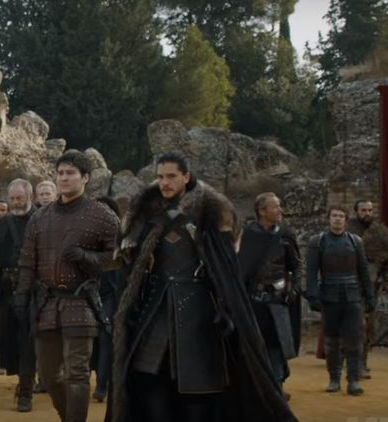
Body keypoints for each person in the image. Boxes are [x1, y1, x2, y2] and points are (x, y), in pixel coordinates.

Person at [108, 152, 296, 422]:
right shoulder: (146, 213)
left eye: (171, 176)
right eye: (160, 177)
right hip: (155, 309)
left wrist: (225, 307)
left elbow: (225, 268)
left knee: (199, 391)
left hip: (199, 312)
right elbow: (130, 265)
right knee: (147, 379)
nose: (165, 182)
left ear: (186, 177)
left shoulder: (210, 213)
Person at [15, 151, 119, 422]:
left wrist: (87, 257)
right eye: (60, 173)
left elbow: (118, 258)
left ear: (85, 178)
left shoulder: (102, 215)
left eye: (70, 173)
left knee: (77, 374)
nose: (64, 178)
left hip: (81, 302)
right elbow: (27, 261)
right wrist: (21, 294)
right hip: (47, 303)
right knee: (49, 375)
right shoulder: (40, 217)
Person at [306, 205, 376, 395]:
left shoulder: (355, 241)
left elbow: (363, 271)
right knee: (332, 341)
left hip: (352, 297)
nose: (337, 219)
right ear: (329, 219)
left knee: (354, 340)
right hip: (329, 297)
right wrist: (312, 296)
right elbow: (311, 272)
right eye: (334, 216)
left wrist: (370, 295)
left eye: (341, 216)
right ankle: (334, 379)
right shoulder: (317, 242)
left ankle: (353, 380)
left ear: (346, 220)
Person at [238, 193, 302, 398]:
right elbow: (241, 268)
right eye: (275, 207)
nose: (280, 210)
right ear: (262, 211)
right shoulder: (249, 235)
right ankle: (259, 388)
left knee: (277, 345)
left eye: (279, 206)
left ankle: (276, 387)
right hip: (255, 301)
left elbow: (296, 266)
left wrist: (294, 289)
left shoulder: (285, 235)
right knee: (256, 344)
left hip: (278, 300)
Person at [0, 179, 37, 412]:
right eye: (13, 198)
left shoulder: (42, 220)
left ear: (30, 196)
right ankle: (22, 380)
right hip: (7, 290)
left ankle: (26, 391)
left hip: (34, 290)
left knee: (28, 341)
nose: (16, 202)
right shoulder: (1, 224)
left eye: (20, 198)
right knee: (8, 340)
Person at [346, 199, 388, 378]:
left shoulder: (380, 232)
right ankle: (352, 365)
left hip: (371, 285)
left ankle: (361, 363)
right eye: (363, 210)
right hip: (349, 284)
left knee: (368, 326)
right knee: (355, 326)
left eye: (370, 210)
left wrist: (384, 281)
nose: (367, 213)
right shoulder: (346, 230)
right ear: (356, 211)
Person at [92, 196, 125, 403]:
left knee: (106, 339)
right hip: (87, 293)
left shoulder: (120, 238)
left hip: (110, 294)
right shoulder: (85, 235)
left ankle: (102, 385)